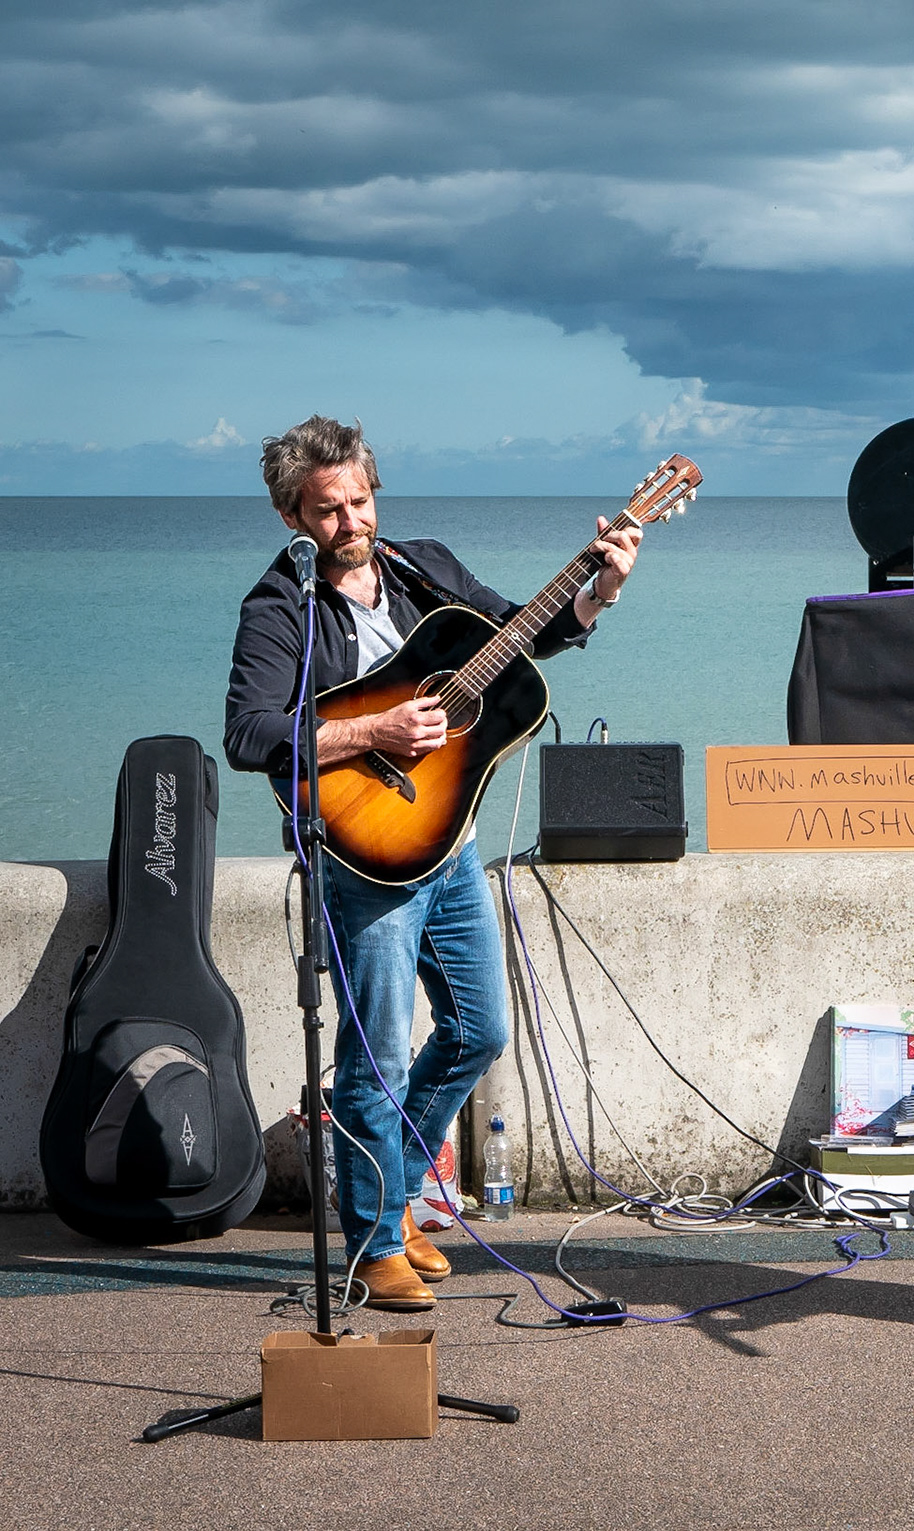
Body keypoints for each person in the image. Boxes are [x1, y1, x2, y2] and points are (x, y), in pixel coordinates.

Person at [224, 416, 642, 1310]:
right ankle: (373, 1243)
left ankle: (398, 1192)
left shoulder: (425, 569)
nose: (350, 522)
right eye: (327, 510)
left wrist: (595, 593)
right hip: (360, 854)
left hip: (447, 843)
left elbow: (514, 635)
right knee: (374, 1053)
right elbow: (250, 733)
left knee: (480, 1030)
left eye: (360, 500)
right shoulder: (278, 605)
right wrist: (371, 730)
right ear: (293, 515)